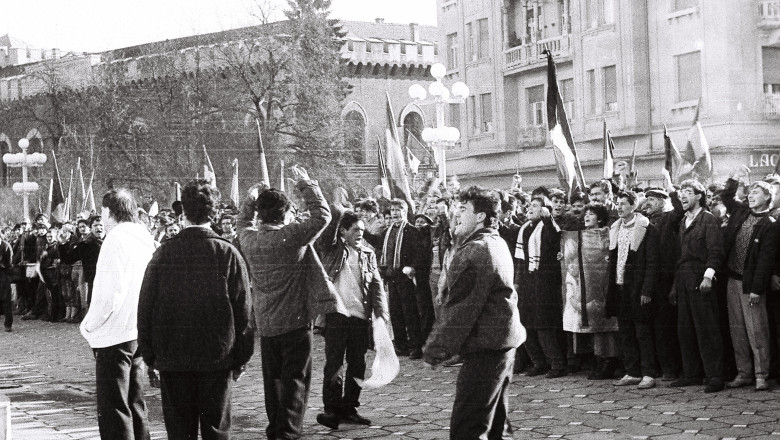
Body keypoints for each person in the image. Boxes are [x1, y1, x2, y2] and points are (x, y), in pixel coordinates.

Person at [138, 179, 254, 439]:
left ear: (183, 213)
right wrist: (242, 356)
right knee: (216, 429)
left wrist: (150, 355)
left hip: (173, 357)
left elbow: (145, 307)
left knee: (179, 431)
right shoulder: (228, 253)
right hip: (216, 357)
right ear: (212, 213)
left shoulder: (163, 254)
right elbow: (244, 312)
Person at [237, 166, 338, 440]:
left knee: (274, 381)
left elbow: (241, 223)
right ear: (285, 213)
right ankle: (288, 431)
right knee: (296, 379)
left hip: (267, 324)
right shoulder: (291, 236)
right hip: (295, 321)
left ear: (261, 215)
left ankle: (276, 427)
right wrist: (306, 184)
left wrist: (250, 200)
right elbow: (323, 215)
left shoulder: (249, 240)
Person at [424, 186, 525, 440]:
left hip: (486, 349)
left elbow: (461, 310)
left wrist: (436, 350)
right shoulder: (496, 242)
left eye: (463, 209)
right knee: (496, 428)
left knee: (467, 429)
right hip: (501, 346)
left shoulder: (475, 251)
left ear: (480, 217)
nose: (457, 214)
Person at [80, 189, 157, 439]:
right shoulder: (143, 238)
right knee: (135, 402)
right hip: (137, 330)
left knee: (114, 407)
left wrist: (89, 326)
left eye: (102, 211)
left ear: (110, 212)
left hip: (113, 333)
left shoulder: (115, 240)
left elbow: (108, 294)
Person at [315, 210, 389, 430]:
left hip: (360, 317)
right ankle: (331, 410)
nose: (360, 233)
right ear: (343, 231)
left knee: (357, 364)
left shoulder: (368, 253)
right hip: (336, 316)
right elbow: (327, 231)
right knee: (334, 364)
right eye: (355, 229)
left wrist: (381, 316)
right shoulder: (332, 249)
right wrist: (337, 209)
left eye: (363, 230)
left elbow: (376, 286)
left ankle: (349, 408)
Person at [720, 168, 778, 391]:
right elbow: (727, 197)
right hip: (732, 281)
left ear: (767, 197)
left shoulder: (770, 223)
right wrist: (735, 178)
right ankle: (743, 373)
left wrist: (757, 288)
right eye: (750, 192)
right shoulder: (742, 212)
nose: (751, 195)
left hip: (750, 286)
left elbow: (766, 259)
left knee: (757, 331)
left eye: (756, 192)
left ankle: (761, 375)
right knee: (738, 330)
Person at [670, 179, 726, 393]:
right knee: (685, 329)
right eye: (681, 192)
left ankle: (715, 376)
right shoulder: (684, 220)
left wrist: (708, 276)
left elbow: (715, 251)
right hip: (684, 278)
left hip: (700, 278)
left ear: (699, 195)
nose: (682, 196)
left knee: (707, 329)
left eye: (687, 192)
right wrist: (675, 286)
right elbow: (680, 257)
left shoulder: (708, 219)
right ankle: (691, 373)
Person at [606, 191, 660, 390]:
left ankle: (648, 373)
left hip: (637, 288)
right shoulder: (616, 228)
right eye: (617, 203)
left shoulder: (647, 228)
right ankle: (633, 371)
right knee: (626, 331)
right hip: (620, 287)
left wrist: (647, 290)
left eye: (623, 204)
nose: (619, 207)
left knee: (642, 332)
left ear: (633, 206)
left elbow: (653, 263)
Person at [561, 203, 620, 380]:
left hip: (604, 285)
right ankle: (600, 360)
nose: (587, 217)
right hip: (588, 285)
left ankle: (610, 361)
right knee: (595, 325)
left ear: (600, 218)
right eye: (585, 214)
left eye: (591, 214)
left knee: (607, 324)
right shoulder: (581, 236)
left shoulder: (607, 234)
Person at [363, 199, 427, 359]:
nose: (395, 213)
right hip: (391, 277)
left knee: (410, 313)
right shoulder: (388, 231)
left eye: (398, 209)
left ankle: (415, 347)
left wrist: (412, 267)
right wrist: (363, 231)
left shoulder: (412, 231)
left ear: (404, 212)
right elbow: (378, 243)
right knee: (396, 312)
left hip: (405, 277)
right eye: (393, 210)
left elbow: (420, 253)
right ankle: (401, 345)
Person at [515, 196, 567, 378]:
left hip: (545, 282)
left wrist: (548, 219)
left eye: (535, 206)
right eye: (530, 205)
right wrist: (517, 282)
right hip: (528, 283)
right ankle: (538, 362)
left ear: (545, 209)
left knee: (544, 325)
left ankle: (557, 364)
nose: (530, 208)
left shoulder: (548, 227)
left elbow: (555, 237)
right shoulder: (525, 229)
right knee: (526, 323)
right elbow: (520, 260)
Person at [643, 178, 684, 380]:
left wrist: (672, 190)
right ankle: (660, 366)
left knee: (666, 327)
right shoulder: (646, 222)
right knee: (655, 328)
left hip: (669, 280)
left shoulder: (670, 218)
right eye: (646, 198)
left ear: (662, 201)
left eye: (651, 199)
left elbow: (680, 211)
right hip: (651, 282)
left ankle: (671, 368)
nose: (647, 203)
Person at [0, 235, 12, 332]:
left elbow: (9, 263)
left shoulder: (6, 246)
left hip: (3, 274)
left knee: (6, 299)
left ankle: (8, 324)